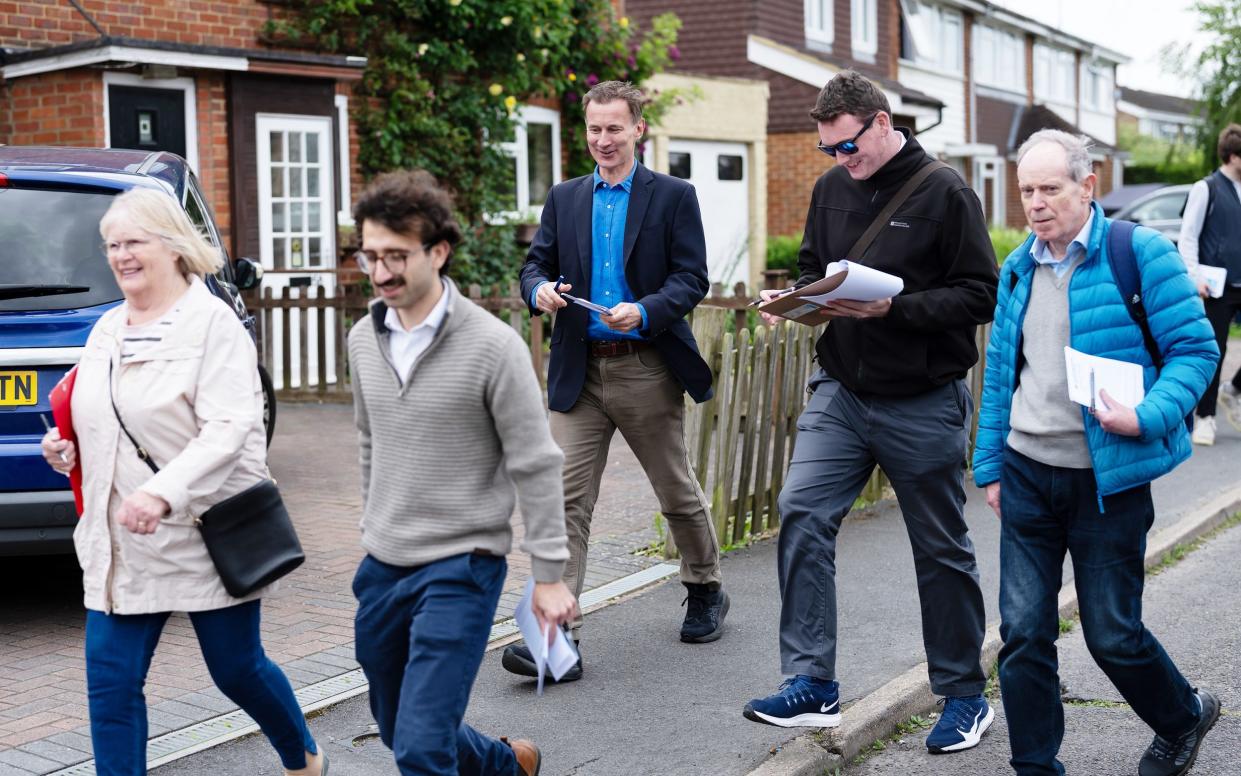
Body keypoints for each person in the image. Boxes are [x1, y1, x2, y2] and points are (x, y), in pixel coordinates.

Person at [742, 70, 999, 755]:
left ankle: (964, 696)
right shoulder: (830, 189)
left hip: (921, 397)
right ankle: (810, 681)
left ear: (883, 123)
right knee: (800, 510)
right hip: (842, 389)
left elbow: (979, 296)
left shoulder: (946, 191)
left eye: (847, 148)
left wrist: (894, 307)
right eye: (828, 150)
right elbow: (807, 267)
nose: (839, 162)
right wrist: (796, 300)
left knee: (938, 547)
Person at [40, 188, 324, 776]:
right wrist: (65, 449)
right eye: (112, 245)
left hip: (203, 533)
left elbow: (230, 428)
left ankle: (302, 757)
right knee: (111, 687)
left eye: (134, 242)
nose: (121, 256)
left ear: (171, 245)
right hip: (124, 542)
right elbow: (97, 413)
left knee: (237, 670)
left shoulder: (211, 323)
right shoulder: (108, 330)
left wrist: (161, 492)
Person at [973, 129, 1221, 776]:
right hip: (1027, 474)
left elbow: (1195, 352)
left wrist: (1146, 416)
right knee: (1022, 633)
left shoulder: (1138, 253)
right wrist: (992, 466)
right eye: (1025, 190)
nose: (1034, 203)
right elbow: (1001, 373)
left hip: (1103, 483)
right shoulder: (1018, 267)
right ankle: (1034, 766)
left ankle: (1182, 716)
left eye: (1049, 188)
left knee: (1111, 633)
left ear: (1087, 186)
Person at [346, 169, 577, 776]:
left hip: (462, 565)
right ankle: (506, 767)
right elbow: (371, 440)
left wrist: (549, 575)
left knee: (422, 751)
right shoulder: (361, 341)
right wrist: (373, 528)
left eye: (396, 256)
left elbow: (536, 462)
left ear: (439, 251)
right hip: (383, 566)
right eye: (370, 256)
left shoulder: (492, 346)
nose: (380, 273)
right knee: (404, 729)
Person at [505, 79, 727, 681]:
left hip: (644, 368)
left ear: (638, 129)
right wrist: (540, 291)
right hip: (579, 370)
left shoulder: (673, 196)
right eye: (594, 129)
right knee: (562, 502)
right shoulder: (565, 197)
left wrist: (648, 310)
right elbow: (534, 265)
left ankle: (705, 586)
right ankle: (557, 640)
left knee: (674, 492)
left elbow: (691, 278)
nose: (603, 140)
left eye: (613, 128)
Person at [1178, 123, 1241, 446]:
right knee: (1214, 351)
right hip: (1215, 285)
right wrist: (1194, 275)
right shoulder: (1207, 188)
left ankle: (1235, 389)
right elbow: (1188, 236)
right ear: (1233, 156)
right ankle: (1205, 418)